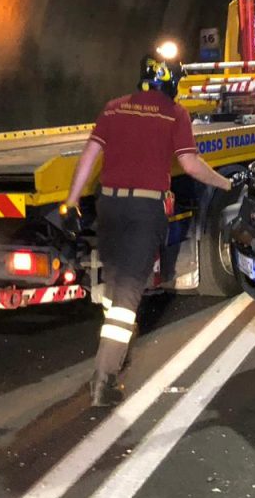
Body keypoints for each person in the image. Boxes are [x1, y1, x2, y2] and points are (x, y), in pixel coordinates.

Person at [63, 53, 235, 408]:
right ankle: (104, 379)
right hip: (144, 210)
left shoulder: (114, 108)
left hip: (109, 206)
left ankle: (117, 344)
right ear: (171, 82)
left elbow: (89, 156)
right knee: (127, 298)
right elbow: (190, 164)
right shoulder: (175, 113)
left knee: (114, 284)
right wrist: (225, 184)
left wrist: (72, 199)